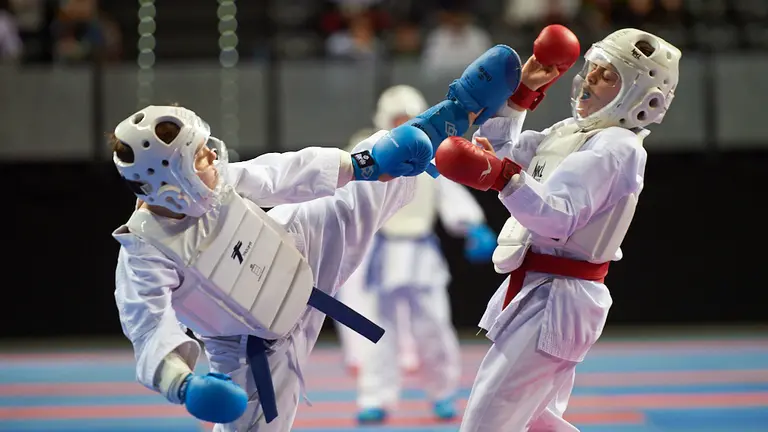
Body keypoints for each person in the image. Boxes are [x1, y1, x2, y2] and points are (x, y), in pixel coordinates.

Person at [110, 43, 524, 432]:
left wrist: (362, 164)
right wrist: (184, 385)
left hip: (298, 253)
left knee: (373, 173)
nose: (214, 159)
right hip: (250, 347)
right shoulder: (145, 254)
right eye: (200, 157)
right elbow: (147, 330)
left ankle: (458, 111)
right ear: (170, 182)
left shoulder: (215, 181)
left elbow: (281, 173)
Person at [434, 26, 681, 431]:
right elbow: (502, 152)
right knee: (535, 422)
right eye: (594, 68)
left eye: (608, 75)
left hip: (559, 297)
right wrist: (521, 97)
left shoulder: (618, 146)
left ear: (638, 95)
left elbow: (559, 217)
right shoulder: (570, 133)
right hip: (544, 289)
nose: (590, 79)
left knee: (487, 422)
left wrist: (502, 177)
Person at [334, 85, 498, 424]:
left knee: (434, 326)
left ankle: (442, 393)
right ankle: (376, 396)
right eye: (397, 118)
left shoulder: (433, 151)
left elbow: (448, 191)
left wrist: (471, 225)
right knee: (378, 331)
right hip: (381, 253)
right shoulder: (367, 148)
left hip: (421, 253)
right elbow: (344, 191)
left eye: (410, 117)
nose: (404, 123)